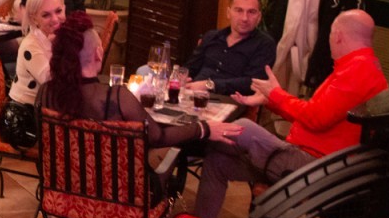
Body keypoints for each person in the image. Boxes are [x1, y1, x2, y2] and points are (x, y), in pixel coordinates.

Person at [171, 10, 387, 218]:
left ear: (338, 35)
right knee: (218, 158)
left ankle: (192, 135)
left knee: (242, 126)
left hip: (318, 168)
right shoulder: (358, 66)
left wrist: (275, 95)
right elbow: (314, 114)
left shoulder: (357, 70)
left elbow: (316, 118)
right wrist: (270, 100)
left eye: (329, 34)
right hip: (307, 160)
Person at [43, 13, 241, 148]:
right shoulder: (117, 97)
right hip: (114, 189)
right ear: (98, 53)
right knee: (167, 156)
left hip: (61, 186)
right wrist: (203, 128)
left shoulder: (46, 92)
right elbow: (157, 137)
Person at [183, 0, 277, 96]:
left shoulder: (264, 44)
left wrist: (210, 85)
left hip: (231, 100)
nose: (245, 18)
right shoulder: (211, 36)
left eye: (251, 12)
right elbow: (190, 68)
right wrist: (181, 78)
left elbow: (252, 83)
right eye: (239, 10)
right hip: (193, 95)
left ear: (259, 17)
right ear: (228, 13)